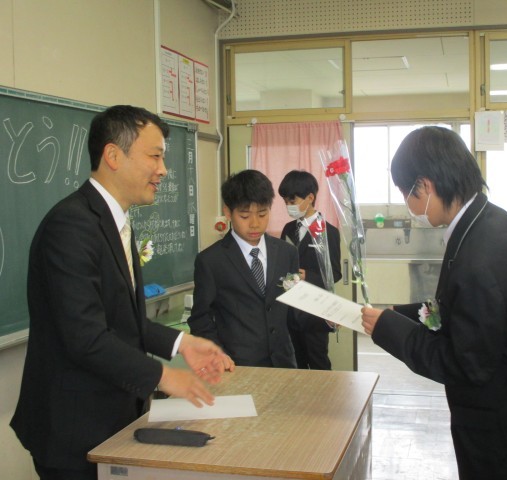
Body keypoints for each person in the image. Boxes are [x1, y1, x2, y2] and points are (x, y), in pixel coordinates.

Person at [10, 105, 234, 480]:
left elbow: (122, 320)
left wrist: (182, 344)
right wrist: (164, 376)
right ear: (113, 156)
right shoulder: (72, 225)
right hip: (73, 430)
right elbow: (86, 337)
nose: (163, 170)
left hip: (112, 421)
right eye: (155, 156)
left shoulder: (115, 221)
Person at [361, 126, 507, 479]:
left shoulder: (481, 256)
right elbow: (458, 308)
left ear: (426, 186)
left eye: (406, 192)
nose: (407, 204)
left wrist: (389, 330)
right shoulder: (487, 222)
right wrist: (397, 314)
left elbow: (465, 364)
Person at [188, 169, 299, 368]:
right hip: (237, 366)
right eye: (245, 215)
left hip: (284, 364)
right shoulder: (211, 261)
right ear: (228, 212)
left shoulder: (287, 253)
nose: (255, 224)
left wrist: (326, 319)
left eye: (262, 214)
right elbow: (200, 320)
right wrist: (218, 357)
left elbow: (294, 310)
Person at [278, 170, 342, 370]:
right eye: (285, 202)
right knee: (294, 362)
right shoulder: (288, 229)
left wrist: (309, 276)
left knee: (318, 362)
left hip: (315, 310)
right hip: (290, 309)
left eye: (292, 200)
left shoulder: (328, 231)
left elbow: (336, 273)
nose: (289, 206)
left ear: (310, 198)